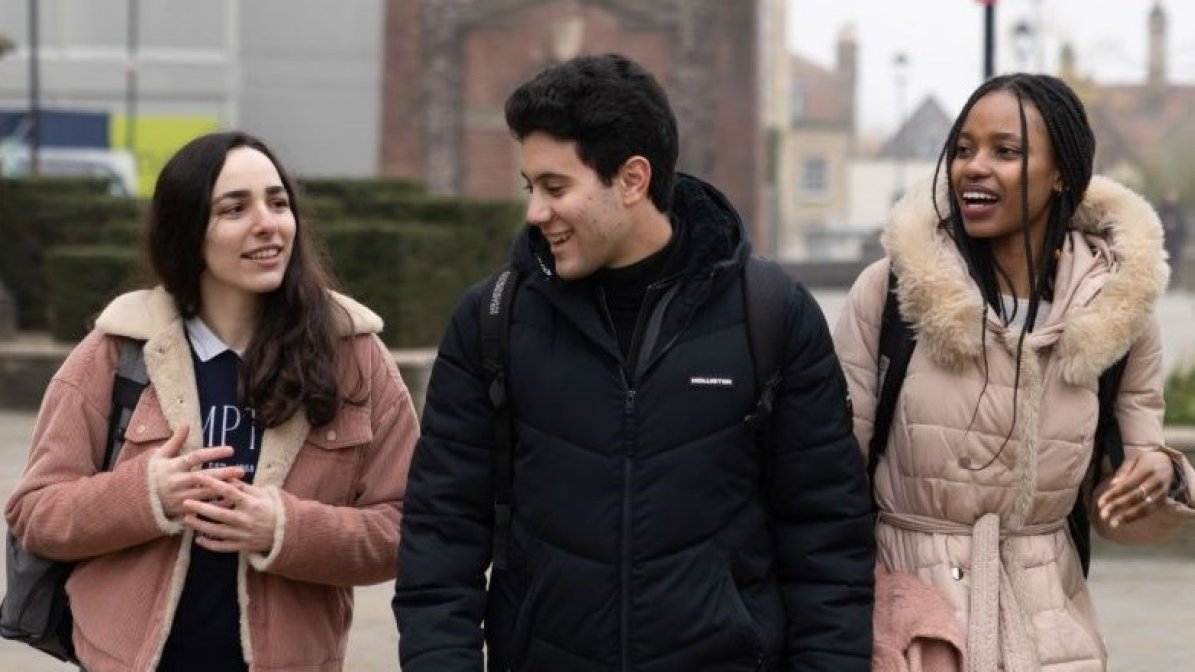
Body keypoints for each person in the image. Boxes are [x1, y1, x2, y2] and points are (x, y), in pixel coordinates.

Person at [393, 53, 875, 671]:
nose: (534, 212)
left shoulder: (773, 316)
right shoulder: (491, 320)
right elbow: (440, 538)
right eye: (530, 187)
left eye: (555, 187)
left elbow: (827, 545)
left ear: (632, 179)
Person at [5, 131, 419, 671]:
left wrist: (286, 529)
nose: (268, 223)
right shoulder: (118, 349)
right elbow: (34, 513)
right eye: (234, 209)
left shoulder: (354, 355)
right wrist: (146, 494)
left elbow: (409, 525)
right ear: (187, 231)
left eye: (278, 202)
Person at [833, 73, 1195, 671]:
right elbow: (829, 480)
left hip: (1054, 639)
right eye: (963, 148)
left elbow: (1122, 513)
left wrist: (1162, 474)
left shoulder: (1119, 315)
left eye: (1006, 151)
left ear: (1061, 176)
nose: (974, 167)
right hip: (910, 633)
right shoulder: (892, 291)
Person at [1158, 187, 1187, 287]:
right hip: (1164, 242)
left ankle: (1175, 283)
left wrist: (1175, 226)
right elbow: (1157, 223)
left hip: (1175, 243)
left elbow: (1183, 227)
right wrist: (1166, 224)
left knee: (1175, 264)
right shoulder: (1162, 209)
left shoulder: (1180, 209)